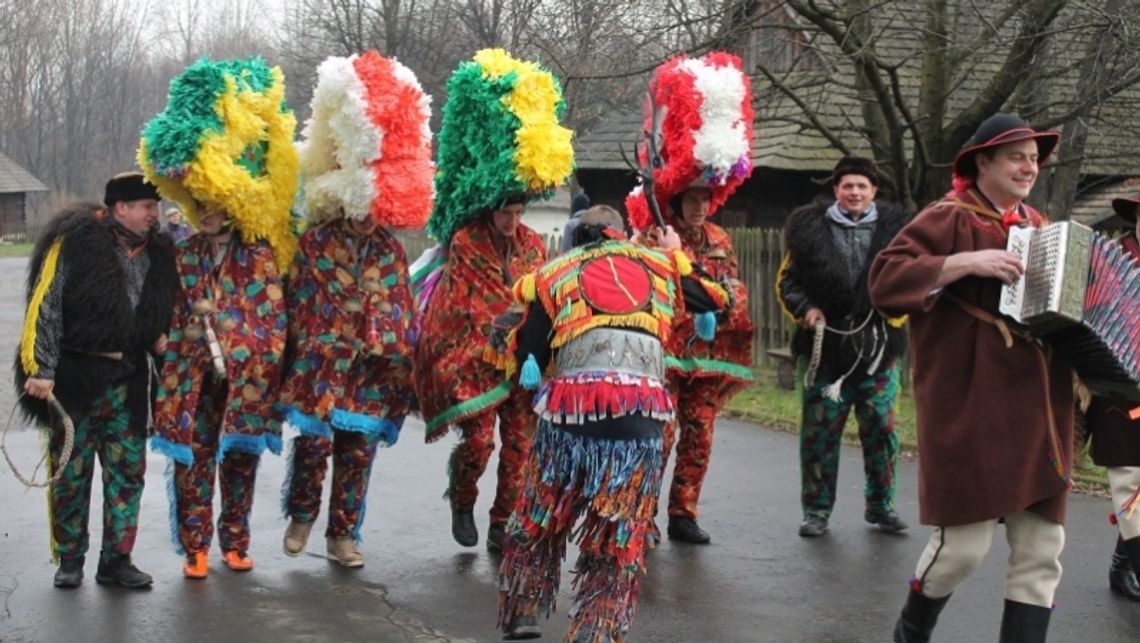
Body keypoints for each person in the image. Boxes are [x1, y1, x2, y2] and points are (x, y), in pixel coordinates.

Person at [869, 113, 1072, 642]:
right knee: (964, 549)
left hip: (1040, 407)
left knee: (1041, 550)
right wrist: (965, 262)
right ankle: (910, 633)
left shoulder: (1043, 228)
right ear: (982, 162)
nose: (1029, 166)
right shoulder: (947, 218)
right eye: (1016, 156)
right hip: (972, 400)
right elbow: (885, 281)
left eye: (1033, 158)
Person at [493, 206, 731, 641]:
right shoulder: (659, 265)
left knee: (541, 511)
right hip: (639, 416)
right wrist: (677, 253)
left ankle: (522, 608)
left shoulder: (556, 271)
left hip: (572, 412)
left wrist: (531, 362)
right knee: (618, 529)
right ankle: (596, 630)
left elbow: (532, 344)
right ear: (623, 236)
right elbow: (717, 298)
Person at [139, 56, 298, 579]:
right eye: (200, 203)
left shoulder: (259, 255)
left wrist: (243, 344)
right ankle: (195, 547)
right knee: (192, 463)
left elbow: (273, 320)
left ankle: (236, 541)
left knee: (240, 461)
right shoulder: (181, 254)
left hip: (245, 382)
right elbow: (162, 311)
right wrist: (172, 342)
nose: (206, 212)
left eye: (214, 204)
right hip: (192, 381)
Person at [413, 48, 573, 551]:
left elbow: (539, 295)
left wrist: (536, 346)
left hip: (524, 362)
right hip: (479, 359)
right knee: (480, 443)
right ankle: (463, 500)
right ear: (492, 206)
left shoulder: (530, 243)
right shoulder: (468, 240)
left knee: (521, 446)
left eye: (519, 210)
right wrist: (510, 328)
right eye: (506, 210)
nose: (512, 219)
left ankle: (504, 522)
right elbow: (476, 304)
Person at [279, 51, 432, 567]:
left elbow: (401, 305)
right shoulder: (317, 243)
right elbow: (297, 300)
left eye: (376, 210)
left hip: (370, 371)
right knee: (315, 447)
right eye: (360, 208)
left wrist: (394, 346)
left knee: (357, 454)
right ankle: (302, 514)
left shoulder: (390, 249)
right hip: (323, 366)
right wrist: (310, 342)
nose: (367, 219)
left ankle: (343, 535)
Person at [16, 173, 178, 588]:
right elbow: (47, 302)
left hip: (128, 382)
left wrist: (162, 333)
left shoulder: (160, 253)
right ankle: (70, 559)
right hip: (76, 380)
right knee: (71, 472)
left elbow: (168, 307)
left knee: (128, 473)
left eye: (155, 208)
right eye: (146, 207)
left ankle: (117, 560)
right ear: (120, 208)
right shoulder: (74, 243)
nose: (153, 215)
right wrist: (41, 368)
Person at [625, 52, 755, 544]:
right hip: (663, 355)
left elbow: (733, 294)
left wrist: (716, 294)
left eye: (706, 199)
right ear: (677, 200)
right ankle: (641, 514)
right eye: (691, 199)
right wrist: (684, 269)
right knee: (658, 436)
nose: (700, 207)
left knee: (699, 435)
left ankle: (684, 513)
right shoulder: (651, 237)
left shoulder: (721, 238)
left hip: (707, 356)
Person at [776, 156, 909, 538]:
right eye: (847, 186)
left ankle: (881, 507)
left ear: (873, 192)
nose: (854, 192)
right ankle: (816, 511)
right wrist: (807, 311)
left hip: (877, 351)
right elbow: (788, 283)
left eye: (862, 186)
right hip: (826, 354)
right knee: (819, 434)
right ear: (836, 190)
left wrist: (892, 311)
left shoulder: (897, 234)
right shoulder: (807, 232)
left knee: (882, 430)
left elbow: (910, 280)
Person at [1084, 193, 1140, 601]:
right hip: (1118, 388)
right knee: (1130, 478)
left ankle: (1122, 565)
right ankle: (1134, 563)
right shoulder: (1108, 261)